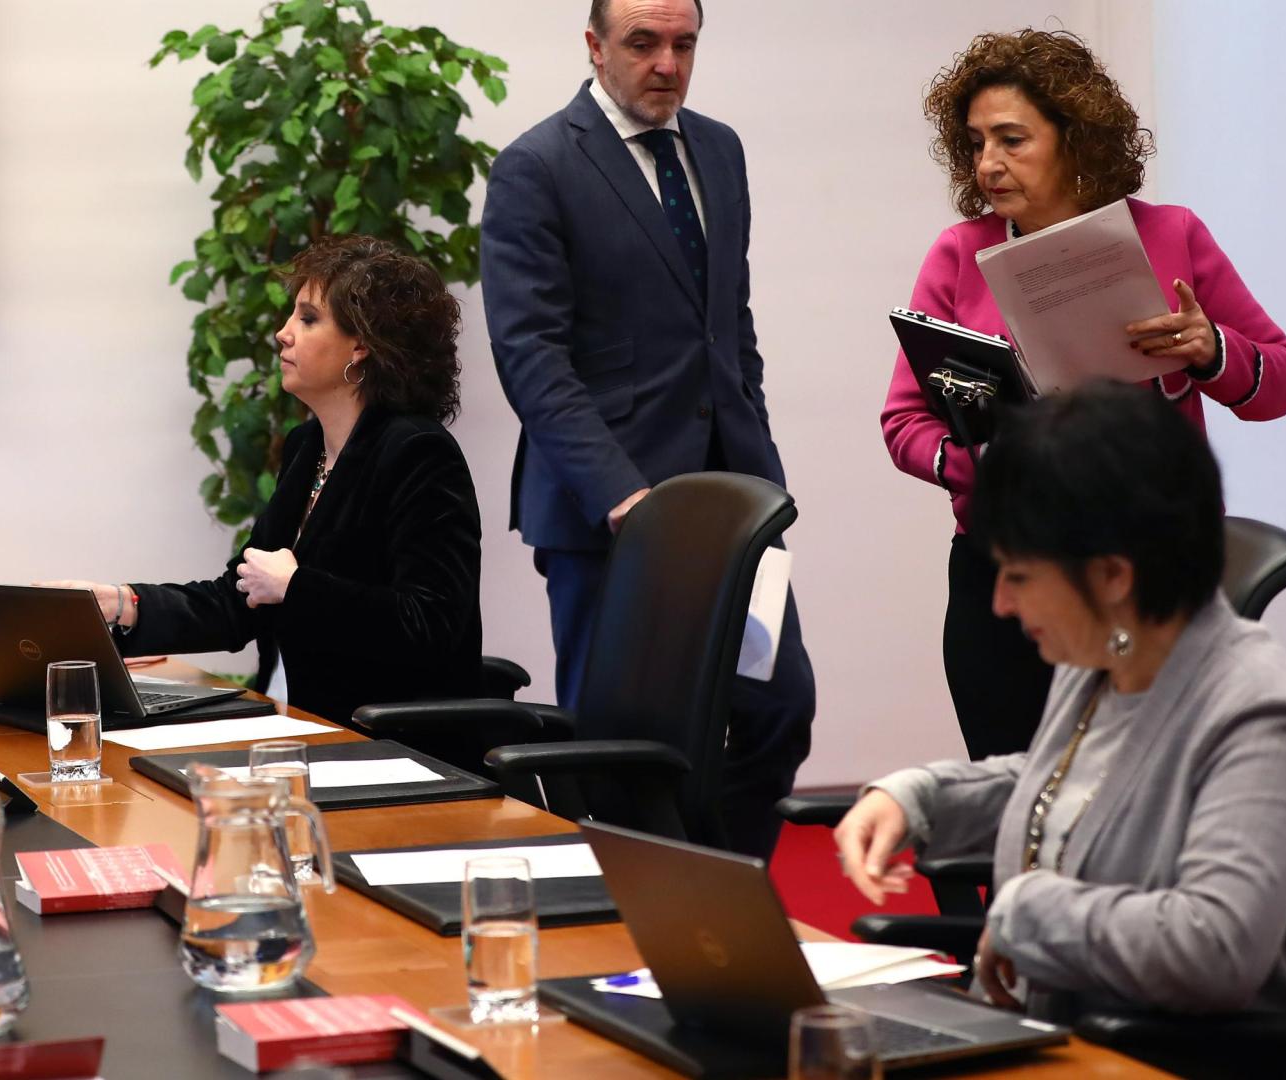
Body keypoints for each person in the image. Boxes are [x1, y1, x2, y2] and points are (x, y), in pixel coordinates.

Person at [836, 381, 1286, 1034]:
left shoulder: (1258, 712)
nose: (1001, 604)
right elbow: (1068, 788)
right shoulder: (1103, 652)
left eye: (1019, 576)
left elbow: (1216, 946)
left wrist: (1026, 915)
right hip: (1048, 1038)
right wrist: (919, 798)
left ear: (1112, 575)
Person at [881, 30, 1286, 760]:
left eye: (1012, 139)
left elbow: (1281, 382)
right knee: (1015, 795)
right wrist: (985, 462)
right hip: (1006, 574)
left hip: (1145, 568)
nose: (988, 163)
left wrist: (1212, 350)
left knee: (1150, 789)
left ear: (1075, 137)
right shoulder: (959, 254)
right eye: (976, 142)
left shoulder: (1172, 235)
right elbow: (904, 422)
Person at [479, 0, 814, 859]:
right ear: (595, 47)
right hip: (607, 514)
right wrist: (620, 494)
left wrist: (758, 459)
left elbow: (729, 328)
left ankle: (718, 896)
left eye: (683, 43)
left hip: (733, 503)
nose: (667, 63)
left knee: (777, 713)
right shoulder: (536, 167)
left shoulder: (720, 149)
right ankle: (626, 913)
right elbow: (531, 356)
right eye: (643, 43)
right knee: (618, 751)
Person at [46, 235, 482, 725]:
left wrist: (297, 588)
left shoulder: (418, 452)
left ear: (362, 345)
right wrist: (121, 603)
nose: (282, 333)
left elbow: (431, 626)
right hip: (300, 725)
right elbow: (239, 602)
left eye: (308, 319)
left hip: (386, 739)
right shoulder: (306, 447)